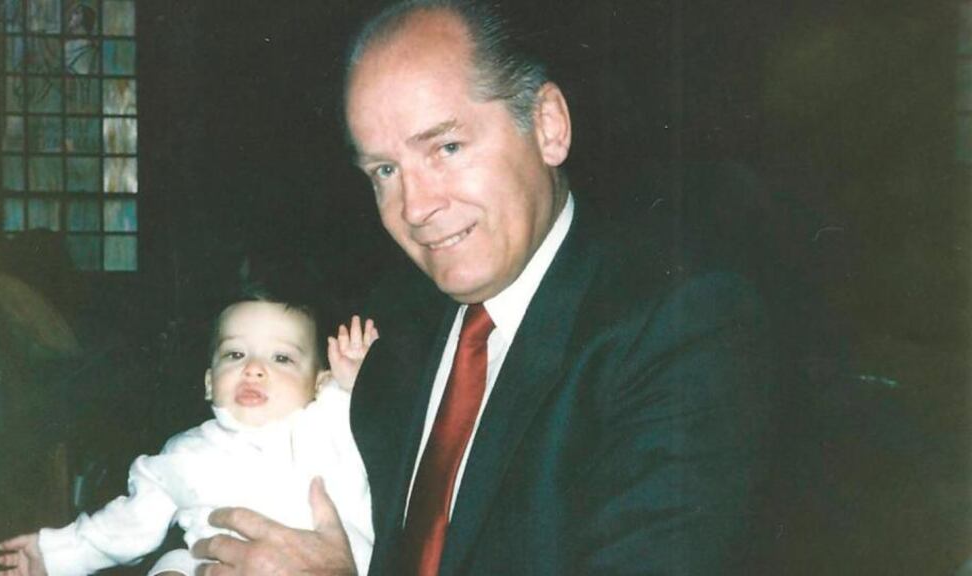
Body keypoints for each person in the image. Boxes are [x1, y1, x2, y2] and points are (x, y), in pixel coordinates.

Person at [193, 1, 775, 574]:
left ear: (548, 125)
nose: (415, 208)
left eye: (446, 147)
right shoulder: (394, 318)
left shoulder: (681, 327)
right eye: (385, 172)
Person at [0, 289, 379, 576]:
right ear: (210, 383)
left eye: (281, 358)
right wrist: (55, 553)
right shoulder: (184, 454)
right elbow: (127, 525)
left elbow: (366, 419)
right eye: (235, 354)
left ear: (317, 382)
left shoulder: (328, 422)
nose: (254, 369)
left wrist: (356, 383)